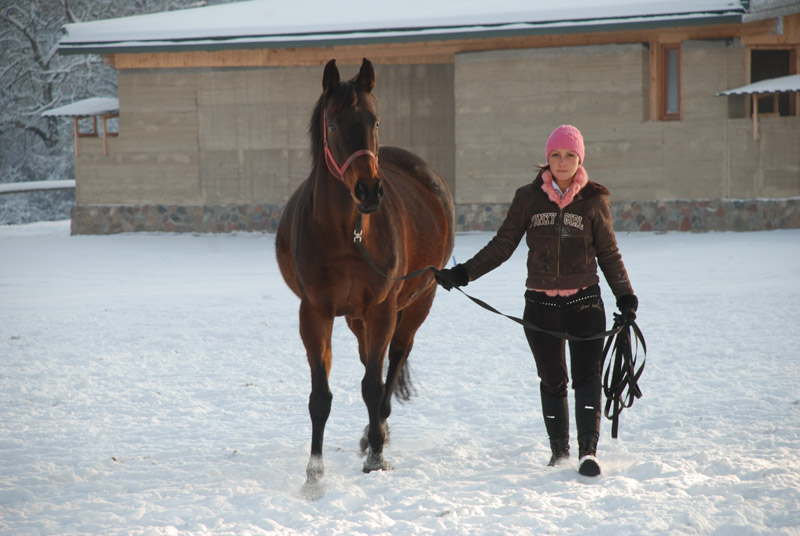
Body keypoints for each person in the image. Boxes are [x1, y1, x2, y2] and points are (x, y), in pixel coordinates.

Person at [435, 125, 638, 477]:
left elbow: (608, 252)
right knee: (552, 379)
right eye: (556, 155)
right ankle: (559, 453)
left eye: (570, 155)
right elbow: (503, 245)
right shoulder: (528, 198)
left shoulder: (593, 200)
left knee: (587, 377)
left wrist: (625, 296)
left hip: (586, 303)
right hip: (541, 306)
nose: (562, 162)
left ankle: (588, 453)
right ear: (547, 158)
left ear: (580, 159)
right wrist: (463, 273)